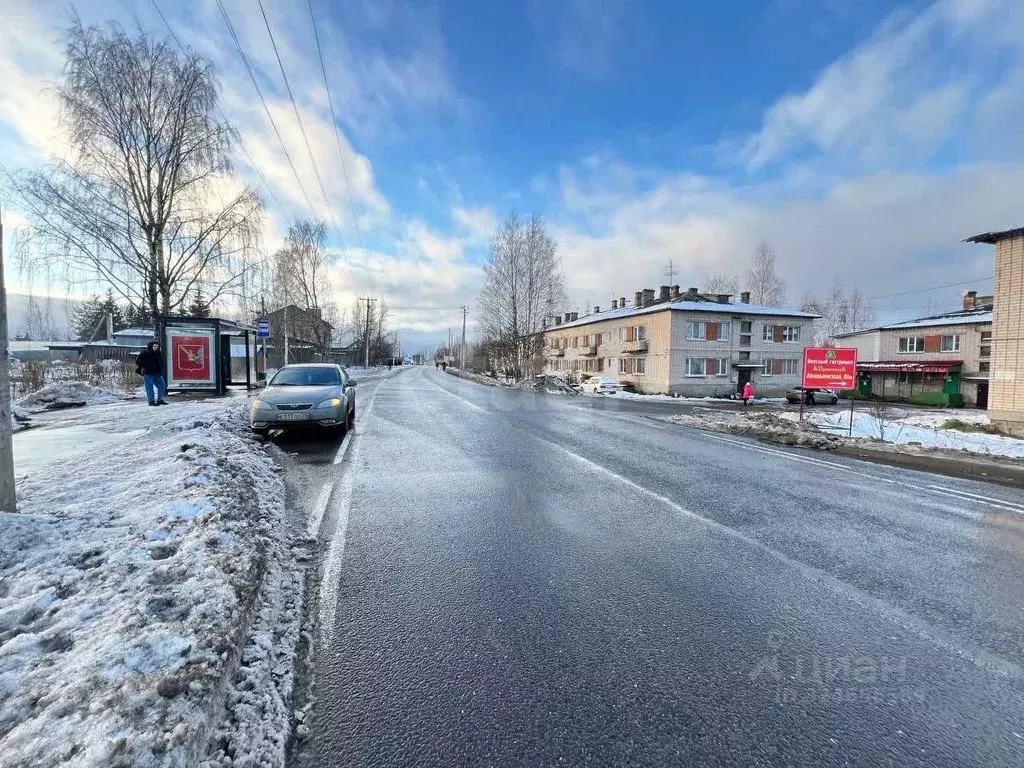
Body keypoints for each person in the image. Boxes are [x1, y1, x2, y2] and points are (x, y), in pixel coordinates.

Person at [136, 340, 167, 406]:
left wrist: (161, 369)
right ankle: (151, 401)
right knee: (149, 387)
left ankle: (160, 400)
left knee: (162, 386)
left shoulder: (158, 353)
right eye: (154, 346)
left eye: (157, 346)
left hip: (157, 373)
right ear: (150, 346)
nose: (156, 348)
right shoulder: (144, 353)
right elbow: (138, 361)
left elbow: (161, 362)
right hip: (148, 373)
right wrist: (144, 367)